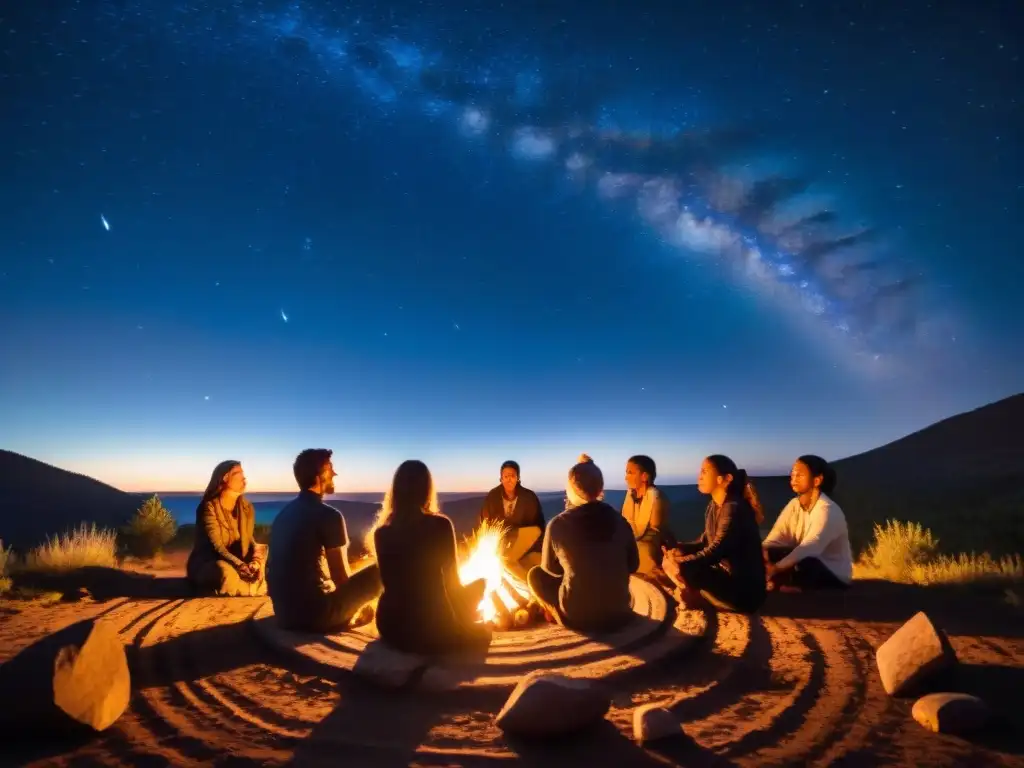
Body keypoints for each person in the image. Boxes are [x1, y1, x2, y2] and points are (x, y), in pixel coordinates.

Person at [373, 460, 492, 655]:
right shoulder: (440, 525)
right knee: (481, 585)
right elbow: (452, 585)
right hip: (431, 629)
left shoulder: (381, 533)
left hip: (390, 625)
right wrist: (459, 628)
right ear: (426, 490)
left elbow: (390, 586)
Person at [267, 449, 383, 632]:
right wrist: (359, 601)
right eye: (330, 470)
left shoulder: (284, 514)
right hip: (315, 616)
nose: (335, 474)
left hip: (284, 614)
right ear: (320, 476)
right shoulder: (330, 516)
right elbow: (341, 578)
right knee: (383, 569)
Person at [527, 454, 640, 631]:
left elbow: (551, 570)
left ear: (570, 488)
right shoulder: (620, 521)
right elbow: (633, 565)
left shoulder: (557, 524)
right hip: (620, 613)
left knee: (535, 575)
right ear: (600, 488)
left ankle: (556, 613)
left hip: (577, 617)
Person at [661, 455, 766, 614]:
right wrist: (678, 550)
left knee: (682, 568)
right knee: (670, 560)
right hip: (726, 579)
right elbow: (704, 542)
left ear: (724, 479)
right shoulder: (714, 506)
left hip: (744, 593)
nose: (699, 476)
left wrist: (681, 563)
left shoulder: (733, 508)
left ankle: (699, 598)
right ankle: (696, 596)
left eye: (704, 471)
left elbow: (715, 551)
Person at [762, 455, 853, 591]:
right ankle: (781, 583)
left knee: (807, 560)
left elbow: (811, 547)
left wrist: (776, 568)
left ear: (817, 480)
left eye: (800, 475)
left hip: (832, 573)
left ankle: (791, 585)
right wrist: (763, 554)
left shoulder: (827, 509)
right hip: (804, 560)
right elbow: (778, 535)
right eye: (793, 473)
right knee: (768, 551)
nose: (793, 478)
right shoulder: (794, 505)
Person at [187, 460, 267, 597]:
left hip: (241, 565)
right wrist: (239, 565)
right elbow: (217, 547)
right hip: (212, 563)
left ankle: (245, 586)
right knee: (223, 571)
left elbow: (249, 540)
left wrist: (255, 562)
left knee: (265, 551)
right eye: (238, 473)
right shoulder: (209, 508)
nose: (244, 477)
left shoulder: (247, 508)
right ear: (225, 478)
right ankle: (253, 588)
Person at [478, 460, 546, 581]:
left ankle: (531, 585)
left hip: (524, 537)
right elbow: (485, 523)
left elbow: (538, 524)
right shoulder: (492, 497)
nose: (509, 479)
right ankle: (528, 582)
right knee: (505, 560)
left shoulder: (529, 497)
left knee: (508, 561)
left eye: (512, 476)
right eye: (506, 476)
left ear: (518, 478)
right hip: (502, 539)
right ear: (501, 478)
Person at [621, 454, 675, 576]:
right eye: (626, 472)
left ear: (644, 476)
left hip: (653, 545)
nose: (626, 477)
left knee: (644, 549)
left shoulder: (657, 498)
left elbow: (655, 532)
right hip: (633, 541)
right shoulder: (631, 495)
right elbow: (625, 521)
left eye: (630, 473)